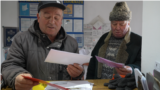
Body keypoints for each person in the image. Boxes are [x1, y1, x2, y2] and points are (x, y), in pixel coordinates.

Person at [1, 0, 84, 90]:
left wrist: (78, 73)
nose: (52, 22)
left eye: (56, 18)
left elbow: (77, 74)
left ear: (61, 19)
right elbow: (9, 65)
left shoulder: (72, 43)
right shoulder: (21, 39)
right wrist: (17, 76)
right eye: (47, 16)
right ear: (38, 17)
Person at [87, 2, 142, 79]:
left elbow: (142, 64)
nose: (117, 28)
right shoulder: (104, 38)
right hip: (100, 85)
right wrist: (89, 83)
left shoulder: (138, 41)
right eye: (114, 24)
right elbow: (92, 64)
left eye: (122, 24)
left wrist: (131, 69)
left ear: (128, 23)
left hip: (122, 86)